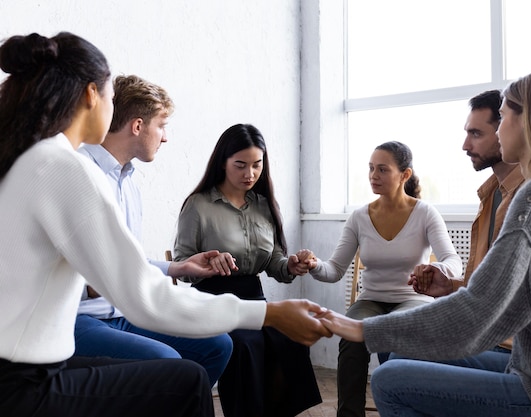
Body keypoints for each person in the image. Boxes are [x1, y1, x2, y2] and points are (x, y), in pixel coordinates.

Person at [0, 32, 329, 417]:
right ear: (92, 95)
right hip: (27, 382)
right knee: (183, 380)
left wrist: (177, 270)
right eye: (109, 95)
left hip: (26, 368)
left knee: (193, 365)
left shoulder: (28, 157)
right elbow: (145, 298)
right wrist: (269, 314)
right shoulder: (63, 167)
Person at [317, 71, 531, 417]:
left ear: (528, 122)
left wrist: (359, 328)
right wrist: (456, 287)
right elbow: (509, 302)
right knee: (400, 359)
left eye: (504, 115)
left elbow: (476, 315)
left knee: (389, 380)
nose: (465, 144)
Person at [73, 74, 233, 386]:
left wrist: (178, 266)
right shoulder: (79, 173)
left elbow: (124, 261)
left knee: (217, 345)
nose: (164, 137)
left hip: (122, 312)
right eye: (161, 125)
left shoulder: (127, 182)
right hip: (78, 318)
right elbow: (91, 277)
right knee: (168, 364)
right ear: (137, 126)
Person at [296, 141, 462, 417]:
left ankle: (398, 407)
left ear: (404, 175)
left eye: (382, 169)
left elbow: (453, 261)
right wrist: (313, 264)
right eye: (371, 168)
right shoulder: (359, 217)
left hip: (412, 299)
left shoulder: (425, 213)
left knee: (397, 337)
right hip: (371, 299)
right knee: (350, 337)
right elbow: (334, 270)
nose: (373, 175)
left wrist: (439, 271)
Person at [174, 123, 323, 417]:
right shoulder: (199, 206)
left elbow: (274, 263)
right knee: (244, 345)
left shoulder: (264, 205)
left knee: (292, 336)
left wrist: (291, 264)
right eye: (240, 165)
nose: (250, 174)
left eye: (257, 165)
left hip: (254, 299)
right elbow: (181, 267)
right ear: (223, 162)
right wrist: (207, 265)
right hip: (212, 299)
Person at [412, 89, 525, 352]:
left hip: (510, 345)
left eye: (476, 134)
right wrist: (450, 286)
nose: (465, 145)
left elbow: (511, 299)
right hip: (485, 333)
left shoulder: (528, 198)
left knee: (393, 362)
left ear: (507, 130)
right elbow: (492, 290)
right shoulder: (491, 195)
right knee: (390, 348)